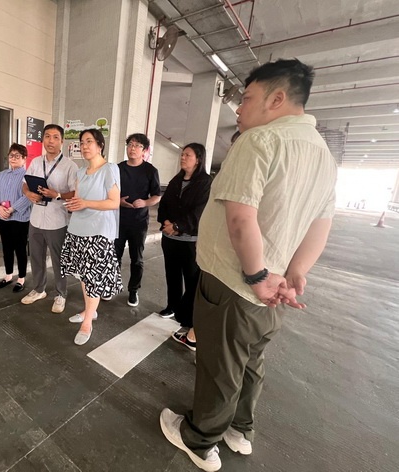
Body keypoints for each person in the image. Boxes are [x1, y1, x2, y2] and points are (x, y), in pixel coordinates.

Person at [159, 59, 337, 472]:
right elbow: (321, 224)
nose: (238, 108)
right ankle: (241, 430)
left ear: (277, 98)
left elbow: (241, 218)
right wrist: (295, 273)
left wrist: (256, 275)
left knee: (220, 364)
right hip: (275, 287)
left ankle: (200, 440)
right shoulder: (324, 156)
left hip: (236, 283)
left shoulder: (260, 140)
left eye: (248, 98)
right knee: (251, 360)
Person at [61, 129, 122, 345]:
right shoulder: (80, 172)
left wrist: (85, 203)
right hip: (78, 229)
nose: (84, 146)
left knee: (94, 278)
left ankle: (87, 322)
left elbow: (114, 202)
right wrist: (73, 205)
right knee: (84, 276)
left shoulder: (109, 169)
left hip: (98, 232)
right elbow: (78, 199)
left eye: (89, 141)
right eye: (82, 142)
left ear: (100, 145)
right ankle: (90, 311)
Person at [156, 143, 211, 351]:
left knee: (192, 281)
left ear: (198, 159)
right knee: (172, 275)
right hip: (169, 239)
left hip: (190, 242)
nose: (183, 157)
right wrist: (165, 223)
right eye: (182, 154)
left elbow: (199, 211)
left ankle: (189, 320)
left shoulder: (205, 182)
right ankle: (172, 306)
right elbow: (164, 205)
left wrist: (178, 226)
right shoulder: (176, 180)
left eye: (188, 155)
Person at [21, 124, 78, 313]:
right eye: (47, 136)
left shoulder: (70, 166)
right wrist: (28, 194)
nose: (50, 141)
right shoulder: (36, 162)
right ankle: (39, 289)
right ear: (42, 140)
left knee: (58, 259)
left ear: (62, 141)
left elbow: (75, 192)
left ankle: (61, 294)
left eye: (55, 137)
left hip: (57, 220)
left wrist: (57, 194)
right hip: (36, 218)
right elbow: (25, 183)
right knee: (36, 257)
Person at [111, 133, 161, 307]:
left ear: (144, 150)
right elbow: (108, 191)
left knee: (136, 258)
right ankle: (112, 285)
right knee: (114, 255)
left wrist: (145, 202)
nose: (132, 148)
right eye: (130, 144)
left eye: (137, 145)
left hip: (139, 222)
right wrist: (118, 201)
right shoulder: (118, 168)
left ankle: (133, 290)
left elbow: (156, 195)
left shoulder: (150, 171)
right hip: (118, 220)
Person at [0, 143, 32, 293]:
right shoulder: (2, 175)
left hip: (20, 218)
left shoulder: (27, 176)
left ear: (24, 159)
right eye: (11, 155)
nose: (13, 158)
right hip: (3, 217)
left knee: (20, 249)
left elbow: (28, 197)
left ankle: (21, 278)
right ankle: (8, 275)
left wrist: (12, 209)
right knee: (6, 248)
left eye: (17, 156)